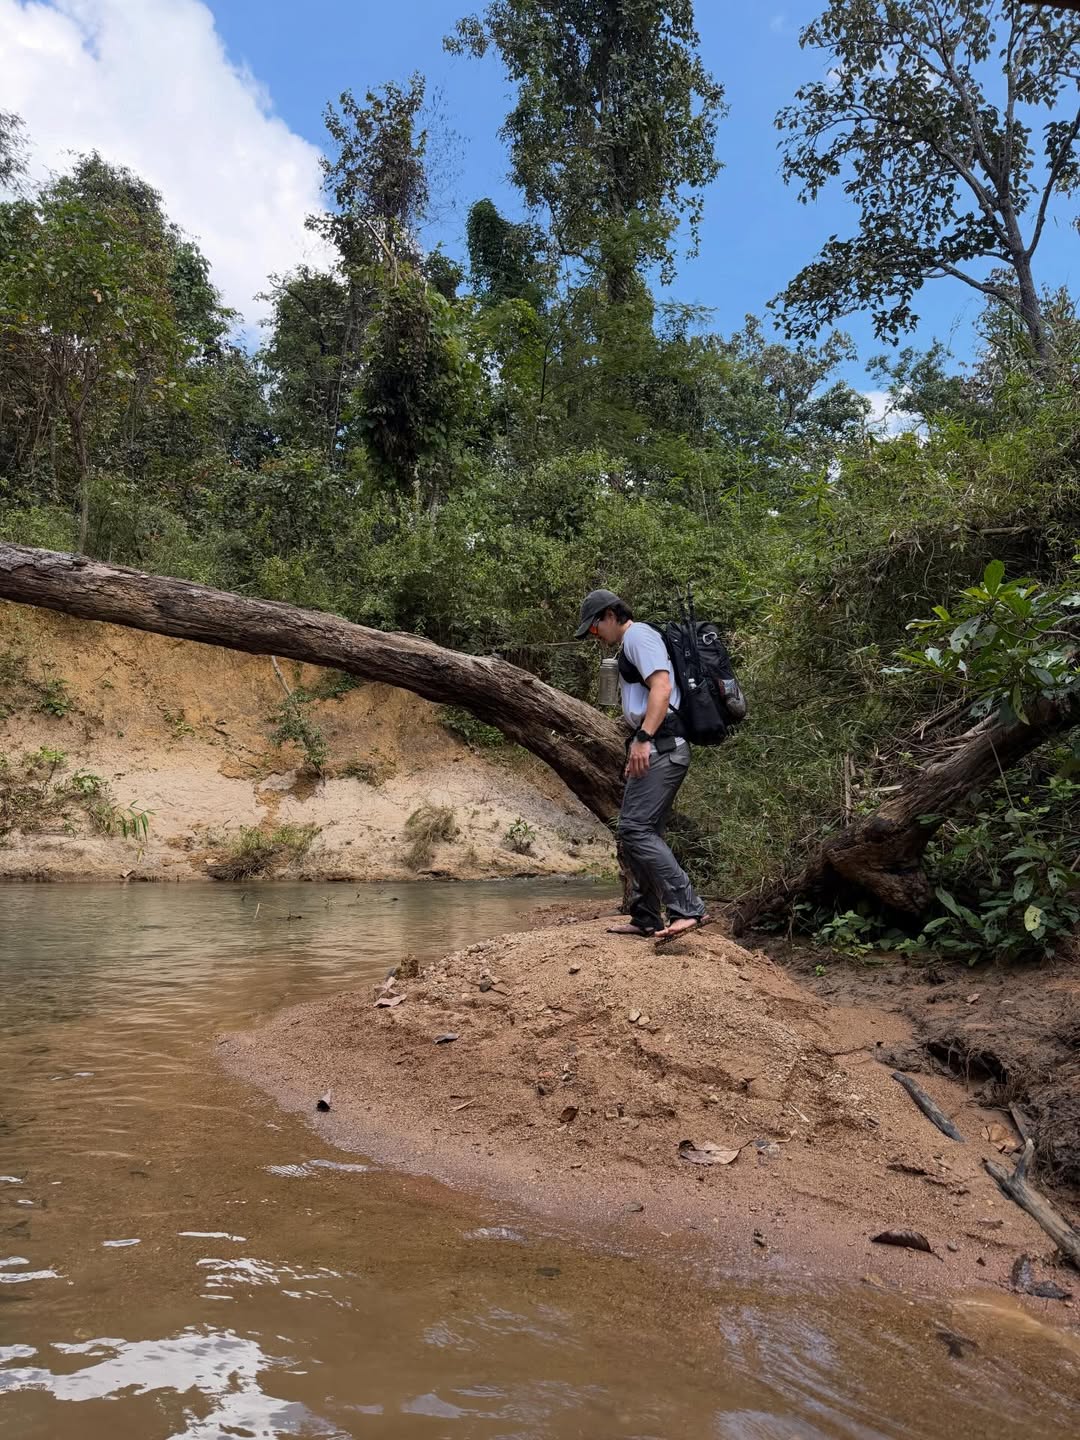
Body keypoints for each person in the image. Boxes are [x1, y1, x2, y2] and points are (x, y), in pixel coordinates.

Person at [575, 589, 709, 944]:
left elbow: (662, 688)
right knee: (643, 831)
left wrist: (644, 738)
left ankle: (688, 908)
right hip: (656, 746)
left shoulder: (638, 636)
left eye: (594, 628)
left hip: (662, 746)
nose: (595, 635)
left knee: (634, 829)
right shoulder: (631, 643)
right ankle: (646, 916)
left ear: (610, 615)